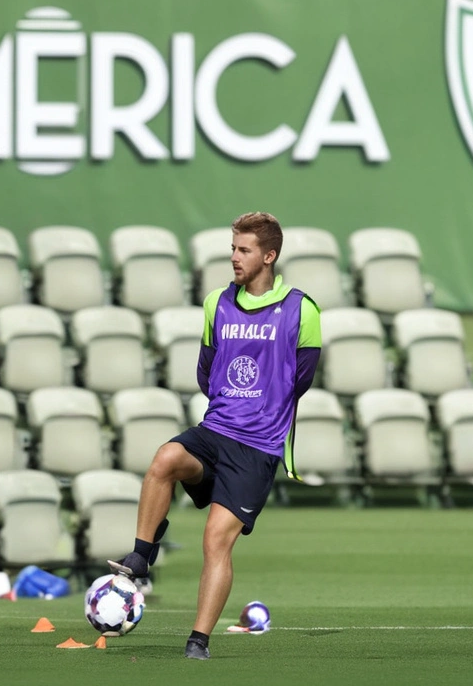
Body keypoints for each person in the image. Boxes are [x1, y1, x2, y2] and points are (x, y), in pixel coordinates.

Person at [108, 212, 321, 660]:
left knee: (214, 541)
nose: (234, 258)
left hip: (257, 447)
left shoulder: (302, 309)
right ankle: (141, 556)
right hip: (215, 430)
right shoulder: (216, 303)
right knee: (165, 458)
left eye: (243, 250)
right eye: (233, 248)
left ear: (269, 255)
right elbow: (207, 372)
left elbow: (302, 378)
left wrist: (261, 407)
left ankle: (198, 640)